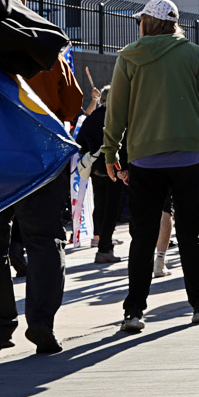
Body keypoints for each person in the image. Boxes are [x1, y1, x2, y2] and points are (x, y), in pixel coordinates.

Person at [101, 0, 199, 332]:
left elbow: (116, 111)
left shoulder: (129, 58)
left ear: (147, 22)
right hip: (190, 156)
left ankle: (134, 311)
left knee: (142, 236)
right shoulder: (194, 54)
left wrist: (110, 153)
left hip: (145, 158)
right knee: (190, 233)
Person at [0, 50, 83, 354]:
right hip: (40, 155)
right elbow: (72, 106)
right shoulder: (46, 54)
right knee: (45, 241)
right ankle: (41, 322)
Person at [75, 85, 128, 263]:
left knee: (100, 205)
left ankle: (101, 241)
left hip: (96, 169)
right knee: (112, 209)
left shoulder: (91, 119)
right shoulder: (119, 118)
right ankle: (105, 247)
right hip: (117, 169)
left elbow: (80, 144)